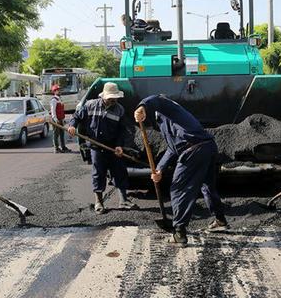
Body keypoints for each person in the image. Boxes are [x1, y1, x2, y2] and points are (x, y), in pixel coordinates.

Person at [134, 94, 228, 245]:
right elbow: (172, 149)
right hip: (208, 147)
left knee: (179, 189)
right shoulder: (168, 120)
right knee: (207, 186)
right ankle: (220, 220)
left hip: (194, 150)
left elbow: (157, 99)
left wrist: (142, 106)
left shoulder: (167, 107)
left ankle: (179, 233)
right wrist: (159, 169)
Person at [68, 82, 137, 214]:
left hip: (113, 147)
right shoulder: (90, 105)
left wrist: (120, 146)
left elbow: (123, 130)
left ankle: (123, 200)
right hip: (96, 146)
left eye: (115, 98)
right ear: (104, 97)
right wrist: (72, 125)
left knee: (120, 171)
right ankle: (98, 202)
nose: (113, 100)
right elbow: (76, 117)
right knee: (98, 173)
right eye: (111, 98)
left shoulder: (119, 110)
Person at [49, 84, 70, 153]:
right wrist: (55, 120)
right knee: (56, 134)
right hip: (56, 120)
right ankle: (56, 148)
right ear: (54, 92)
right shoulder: (53, 100)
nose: (59, 91)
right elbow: (53, 111)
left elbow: (62, 110)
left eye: (59, 90)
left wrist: (63, 119)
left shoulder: (60, 99)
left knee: (62, 134)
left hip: (61, 119)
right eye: (58, 90)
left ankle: (63, 147)